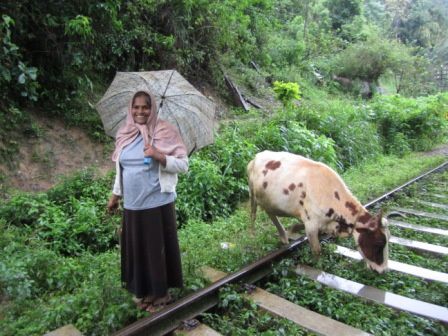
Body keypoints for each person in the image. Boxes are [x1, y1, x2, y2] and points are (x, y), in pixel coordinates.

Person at [107, 90, 188, 313]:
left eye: (145, 107)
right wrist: (115, 196)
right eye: (136, 107)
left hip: (157, 204)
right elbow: (121, 169)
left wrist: (159, 155)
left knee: (155, 251)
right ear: (130, 109)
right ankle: (143, 292)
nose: (140, 111)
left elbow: (183, 165)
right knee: (137, 250)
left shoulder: (164, 131)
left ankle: (161, 295)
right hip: (132, 205)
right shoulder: (125, 133)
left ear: (152, 109)